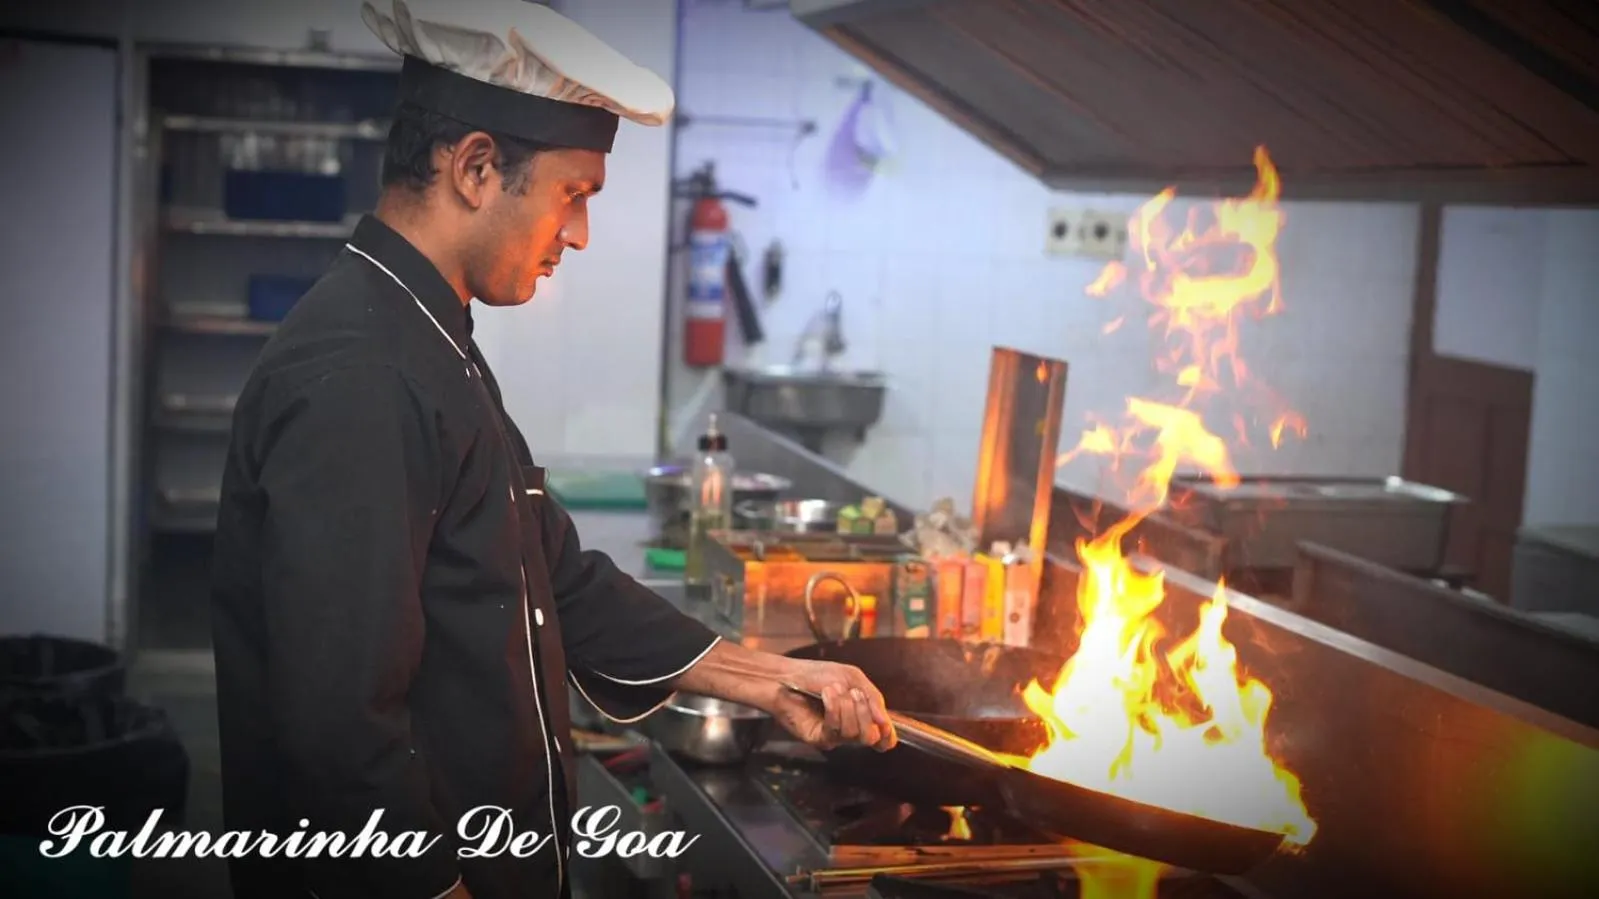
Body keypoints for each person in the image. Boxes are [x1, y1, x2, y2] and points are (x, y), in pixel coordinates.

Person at [208, 3, 896, 898]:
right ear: (477, 168)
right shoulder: (363, 375)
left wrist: (767, 678)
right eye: (573, 196)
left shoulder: (424, 334)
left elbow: (547, 572)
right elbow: (340, 728)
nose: (577, 235)